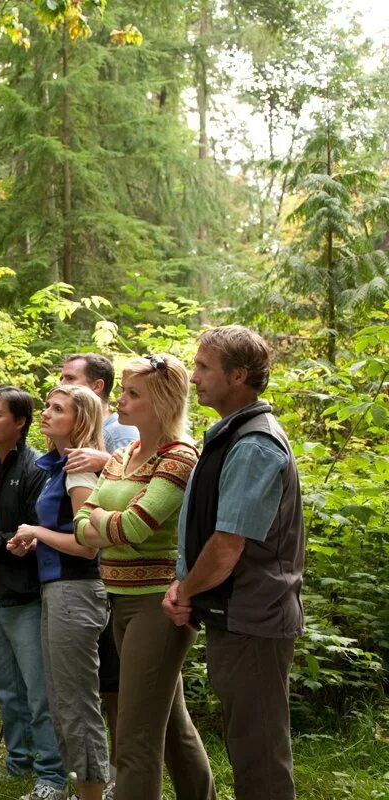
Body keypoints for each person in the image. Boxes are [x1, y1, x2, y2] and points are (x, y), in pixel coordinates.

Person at [164, 326, 304, 800]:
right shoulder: (230, 435)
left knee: (260, 756)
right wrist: (185, 582)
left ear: (238, 375)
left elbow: (227, 547)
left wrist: (184, 590)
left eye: (204, 367)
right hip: (237, 615)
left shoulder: (253, 445)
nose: (195, 377)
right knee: (249, 744)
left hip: (255, 619)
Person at [73, 355, 215, 800]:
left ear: (162, 402)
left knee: (134, 737)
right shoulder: (122, 455)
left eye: (134, 393)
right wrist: (103, 523)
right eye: (125, 391)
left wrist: (101, 521)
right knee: (173, 728)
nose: (121, 399)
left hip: (158, 605)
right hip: (119, 598)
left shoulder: (180, 457)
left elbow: (135, 529)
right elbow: (81, 526)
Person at [10, 385, 110, 800]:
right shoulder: (59, 467)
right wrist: (38, 540)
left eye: (57, 409)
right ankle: (87, 787)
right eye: (47, 406)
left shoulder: (80, 470)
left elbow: (88, 544)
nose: (45, 414)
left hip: (77, 591)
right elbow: (67, 531)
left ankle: (94, 791)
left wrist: (36, 531)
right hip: (58, 590)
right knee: (62, 697)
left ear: (80, 420)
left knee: (75, 701)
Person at [0, 387, 64, 800]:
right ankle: (18, 761)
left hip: (24, 595)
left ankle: (53, 775)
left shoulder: (35, 468)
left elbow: (29, 539)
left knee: (38, 691)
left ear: (19, 422)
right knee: (5, 687)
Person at [60, 352, 136, 779]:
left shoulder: (120, 431)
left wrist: (103, 460)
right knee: (102, 680)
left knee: (117, 682)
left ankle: (124, 772)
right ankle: (103, 770)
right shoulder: (74, 436)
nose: (62, 383)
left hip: (117, 568)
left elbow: (147, 479)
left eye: (71, 378)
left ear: (97, 387)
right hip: (94, 571)